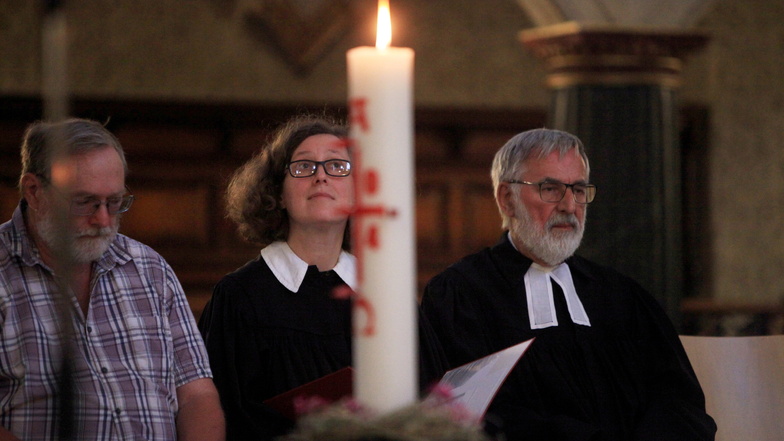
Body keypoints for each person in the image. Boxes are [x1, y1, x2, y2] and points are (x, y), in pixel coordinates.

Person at [421, 128, 717, 441]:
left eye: (577, 189)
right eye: (550, 189)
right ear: (507, 198)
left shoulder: (622, 296)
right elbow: (471, 415)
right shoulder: (461, 295)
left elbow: (678, 400)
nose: (568, 205)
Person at [197, 115, 446, 441]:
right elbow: (226, 413)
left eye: (337, 167)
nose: (321, 177)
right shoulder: (240, 297)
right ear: (278, 194)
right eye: (303, 167)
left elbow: (432, 396)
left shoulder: (388, 293)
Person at [0, 118, 224, 441]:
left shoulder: (151, 269)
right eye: (84, 202)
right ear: (34, 191)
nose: (103, 219)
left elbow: (196, 395)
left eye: (114, 203)